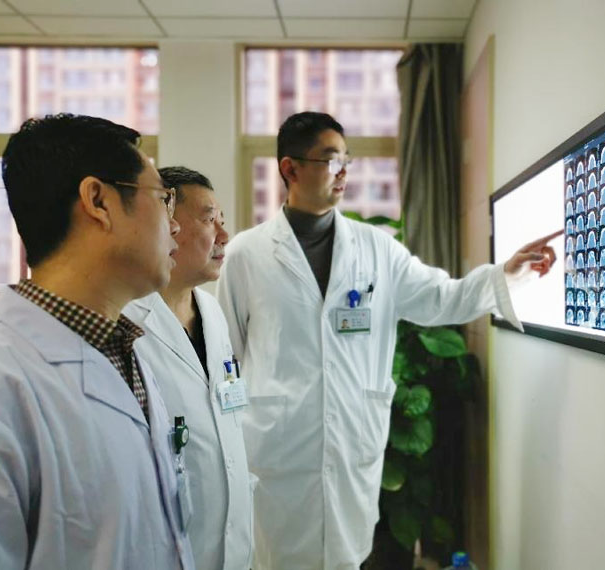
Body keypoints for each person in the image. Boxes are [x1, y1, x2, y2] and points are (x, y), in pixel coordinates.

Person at [217, 111, 558, 570]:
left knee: (346, 556)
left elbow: (441, 298)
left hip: (351, 441)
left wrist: (506, 276)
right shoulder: (247, 253)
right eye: (330, 160)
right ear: (290, 169)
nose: (343, 172)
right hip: (277, 447)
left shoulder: (376, 249)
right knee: (276, 558)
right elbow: (228, 356)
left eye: (346, 161)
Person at [0, 114, 194, 569]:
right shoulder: (0, 384)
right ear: (98, 201)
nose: (175, 225)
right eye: (163, 198)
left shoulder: (124, 350)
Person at [123, 166, 255, 570]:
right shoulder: (128, 322)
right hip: (165, 545)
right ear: (166, 224)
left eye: (223, 221)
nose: (224, 235)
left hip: (233, 541)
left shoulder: (212, 312)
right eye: (209, 220)